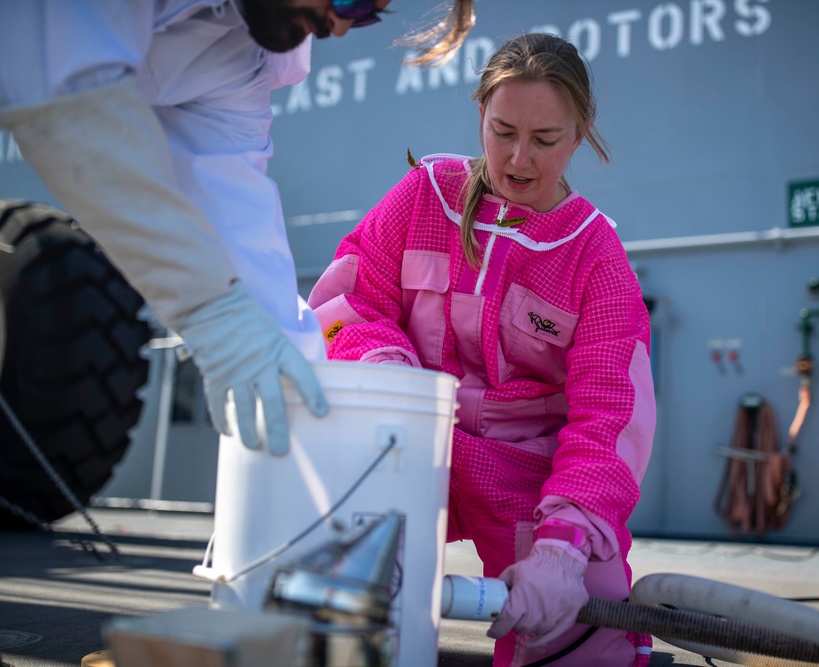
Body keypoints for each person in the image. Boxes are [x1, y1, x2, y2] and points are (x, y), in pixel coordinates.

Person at [308, 32, 656, 667]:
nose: (518, 159)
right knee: (319, 590)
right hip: (407, 450)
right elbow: (347, 303)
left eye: (545, 140)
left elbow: (609, 420)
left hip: (528, 475)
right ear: (480, 116)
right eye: (502, 132)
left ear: (579, 135)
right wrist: (387, 376)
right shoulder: (422, 197)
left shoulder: (596, 259)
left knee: (587, 623)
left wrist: (563, 547)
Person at [0, 0, 475, 456]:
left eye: (367, 15)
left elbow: (237, 216)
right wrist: (208, 309)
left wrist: (295, 377)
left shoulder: (246, 54)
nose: (343, 27)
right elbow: (69, 88)